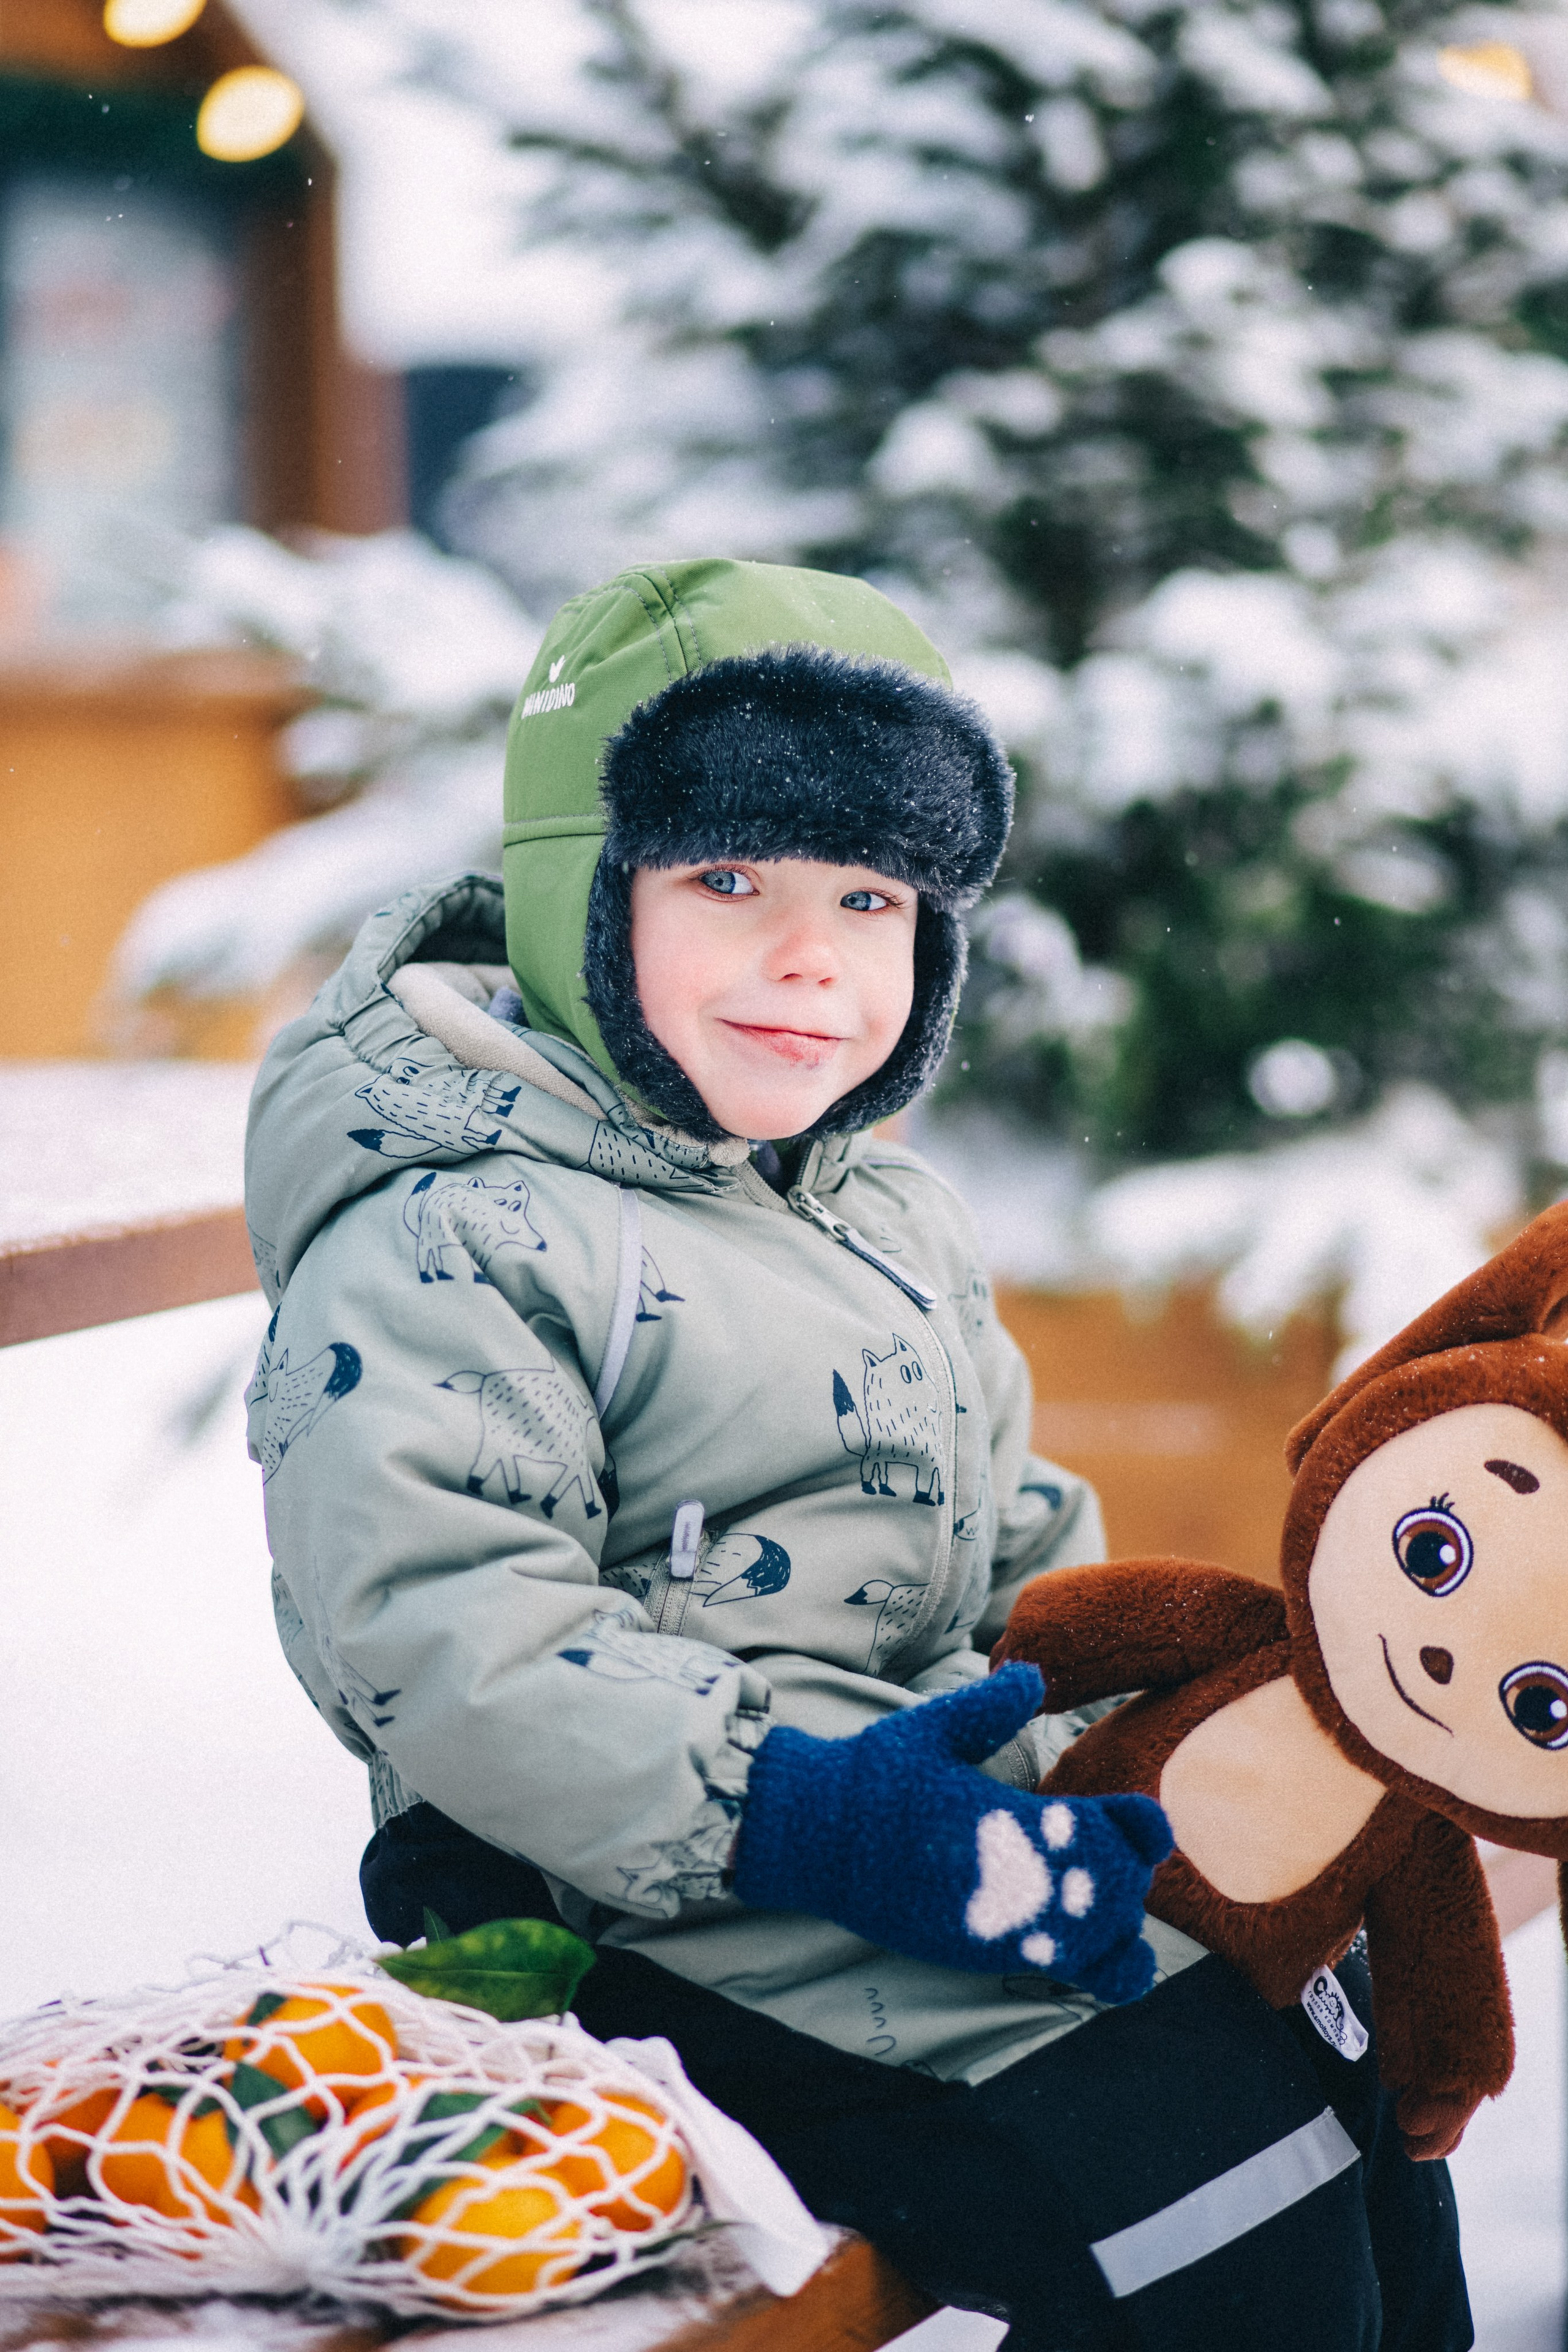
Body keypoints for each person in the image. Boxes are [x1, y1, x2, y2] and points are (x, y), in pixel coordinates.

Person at [244, 558, 1471, 2350]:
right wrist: (809, 1810)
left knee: (1327, 2055)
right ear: (585, 893)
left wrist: (1171, 1738)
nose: (810, 954)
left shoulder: (884, 1212)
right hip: (611, 1894)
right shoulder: (459, 1229)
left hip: (920, 1832)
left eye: (873, 895)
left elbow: (1020, 1564)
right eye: (727, 877)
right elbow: (445, 1641)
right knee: (1208, 2181)